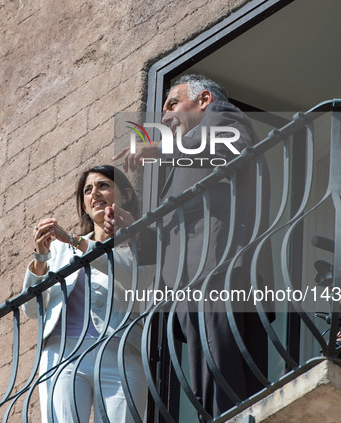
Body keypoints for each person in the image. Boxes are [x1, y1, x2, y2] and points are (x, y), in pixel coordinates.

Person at [116, 74, 271, 420]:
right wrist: (134, 232)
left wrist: (157, 149)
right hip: (189, 279)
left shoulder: (224, 118)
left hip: (218, 265)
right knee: (208, 372)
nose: (166, 115)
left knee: (221, 364)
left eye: (173, 104)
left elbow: (231, 146)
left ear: (203, 101)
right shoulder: (183, 155)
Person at [22, 165, 152, 423]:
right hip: (63, 356)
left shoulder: (139, 245)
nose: (95, 193)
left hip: (121, 353)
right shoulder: (61, 251)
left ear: (125, 195)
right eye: (88, 190)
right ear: (84, 205)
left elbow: (138, 282)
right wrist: (40, 257)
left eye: (103, 185)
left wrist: (75, 240)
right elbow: (32, 309)